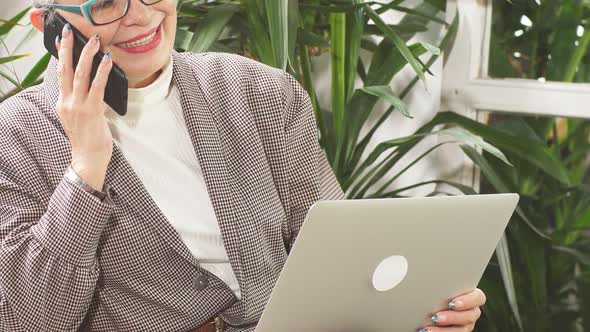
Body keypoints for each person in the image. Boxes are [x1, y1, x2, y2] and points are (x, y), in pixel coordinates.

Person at [0, 0, 487, 331]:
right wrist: (85, 169)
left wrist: (418, 314)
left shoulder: (260, 91)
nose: (141, 16)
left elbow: (342, 257)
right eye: (105, 2)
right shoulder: (16, 134)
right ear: (50, 26)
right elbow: (33, 319)